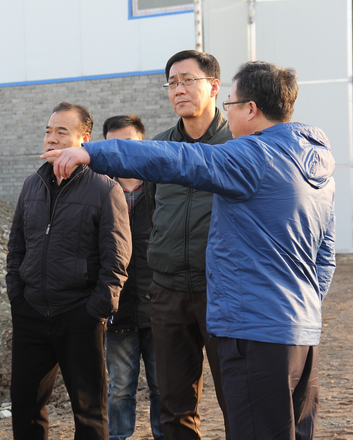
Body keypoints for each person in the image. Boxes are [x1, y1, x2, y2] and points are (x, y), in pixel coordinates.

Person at [44, 60, 336, 440]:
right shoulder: (315, 164)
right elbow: (325, 255)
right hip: (300, 331)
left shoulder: (253, 156)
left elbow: (180, 159)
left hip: (255, 330)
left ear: (251, 109)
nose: (228, 113)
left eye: (230, 104)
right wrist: (301, 307)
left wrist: (92, 153)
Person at [6, 102, 131, 439]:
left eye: (61, 132)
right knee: (25, 405)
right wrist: (18, 297)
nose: (51, 138)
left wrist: (96, 310)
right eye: (48, 131)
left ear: (84, 139)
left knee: (89, 410)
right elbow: (16, 248)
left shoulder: (105, 189)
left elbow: (116, 259)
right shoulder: (31, 185)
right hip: (32, 313)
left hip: (80, 314)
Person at [137, 49, 234, 439]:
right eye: (172, 83)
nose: (178, 90)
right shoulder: (160, 149)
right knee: (174, 404)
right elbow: (153, 208)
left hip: (224, 292)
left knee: (237, 398)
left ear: (214, 86)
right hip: (169, 292)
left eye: (187, 80)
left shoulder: (238, 145)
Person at [102, 114, 163, 440]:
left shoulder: (162, 187)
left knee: (162, 388)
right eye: (113, 145)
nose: (121, 151)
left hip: (160, 309)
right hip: (118, 311)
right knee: (120, 390)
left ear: (143, 143)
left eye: (129, 143)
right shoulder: (99, 190)